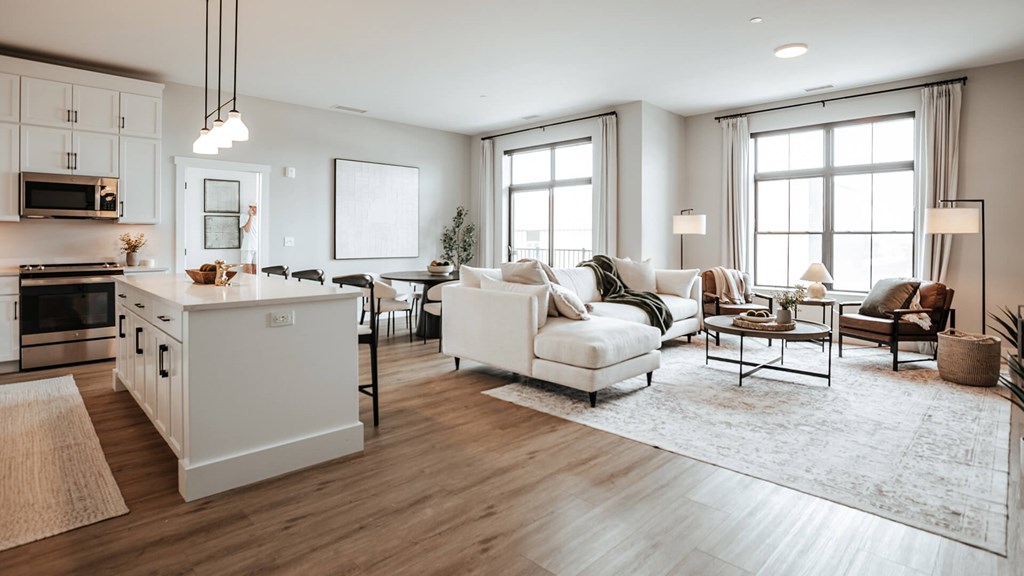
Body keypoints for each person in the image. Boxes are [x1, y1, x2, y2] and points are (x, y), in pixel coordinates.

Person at [239, 204, 258, 274]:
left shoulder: (260, 218)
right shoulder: (244, 216)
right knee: (247, 270)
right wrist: (250, 217)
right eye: (251, 207)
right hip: (247, 247)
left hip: (258, 248)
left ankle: (255, 285)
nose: (253, 209)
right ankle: (248, 285)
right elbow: (247, 230)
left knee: (256, 270)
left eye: (255, 207)